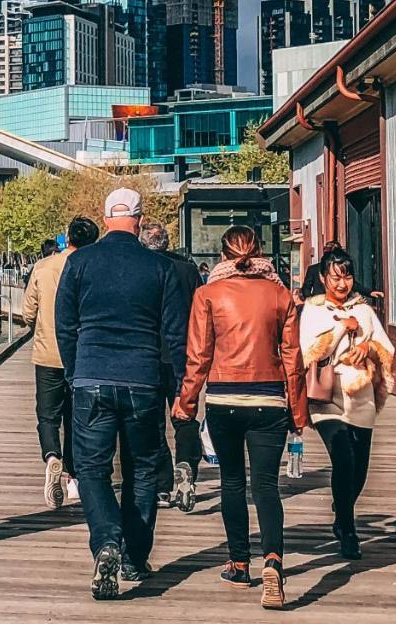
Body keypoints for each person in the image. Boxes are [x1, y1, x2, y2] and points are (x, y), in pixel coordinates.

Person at [55, 188, 187, 600]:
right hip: (144, 379)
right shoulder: (159, 267)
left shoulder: (79, 262)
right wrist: (183, 388)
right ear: (140, 218)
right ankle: (133, 556)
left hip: (92, 376)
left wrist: (77, 372)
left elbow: (65, 325)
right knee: (142, 470)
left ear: (106, 217)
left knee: (93, 470)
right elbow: (174, 334)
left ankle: (107, 541)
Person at [175, 226, 306, 611]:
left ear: (223, 256)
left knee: (233, 483)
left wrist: (185, 402)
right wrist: (298, 412)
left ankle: (238, 563)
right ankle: (274, 563)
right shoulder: (281, 295)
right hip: (270, 401)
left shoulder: (208, 295)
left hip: (224, 398)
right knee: (266, 485)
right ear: (261, 252)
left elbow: (198, 357)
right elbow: (293, 361)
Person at [300, 246, 394, 560]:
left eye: (348, 276)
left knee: (360, 469)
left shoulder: (364, 310)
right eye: (336, 277)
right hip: (327, 395)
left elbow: (386, 347)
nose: (343, 284)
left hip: (360, 394)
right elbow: (310, 351)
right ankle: (349, 532)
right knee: (343, 459)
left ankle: (341, 513)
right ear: (323, 278)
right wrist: (342, 327)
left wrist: (366, 347)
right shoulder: (313, 310)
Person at [23, 218, 98, 509]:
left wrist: (38, 327)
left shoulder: (44, 266)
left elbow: (28, 310)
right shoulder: (94, 267)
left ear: (67, 238)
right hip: (83, 355)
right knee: (77, 416)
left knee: (48, 415)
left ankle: (52, 455)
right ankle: (73, 477)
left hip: (47, 353)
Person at [139, 222, 203, 512]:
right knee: (185, 416)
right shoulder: (188, 270)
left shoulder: (143, 269)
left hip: (149, 354)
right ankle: (187, 465)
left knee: (153, 423)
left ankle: (161, 486)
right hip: (185, 352)